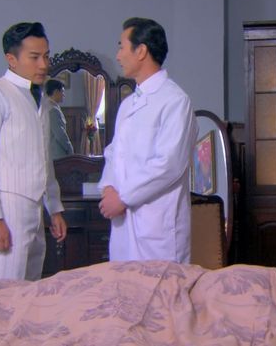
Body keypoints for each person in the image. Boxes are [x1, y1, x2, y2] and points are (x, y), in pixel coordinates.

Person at [0, 22, 67, 281]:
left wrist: (54, 207)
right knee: (5, 290)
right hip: (7, 206)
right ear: (11, 59)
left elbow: (44, 159)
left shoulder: (42, 101)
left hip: (36, 208)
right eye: (34, 57)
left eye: (46, 56)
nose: (43, 64)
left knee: (31, 289)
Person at [98, 17, 198, 263]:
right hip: (124, 222)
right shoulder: (128, 104)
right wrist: (109, 187)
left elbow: (169, 164)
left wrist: (123, 197)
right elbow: (114, 152)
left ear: (141, 51)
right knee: (123, 283)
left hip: (157, 226)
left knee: (161, 285)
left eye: (121, 47)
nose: (118, 56)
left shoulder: (175, 101)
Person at [43, 78, 74, 160]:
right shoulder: (53, 110)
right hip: (57, 155)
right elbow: (60, 134)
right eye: (62, 92)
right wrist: (70, 149)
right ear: (56, 92)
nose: (64, 95)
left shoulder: (45, 107)